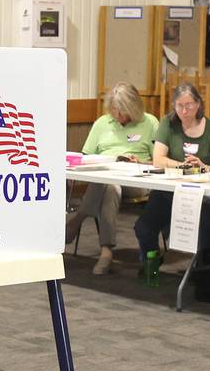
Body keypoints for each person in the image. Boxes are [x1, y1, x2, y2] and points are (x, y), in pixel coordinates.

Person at [133, 84, 210, 297]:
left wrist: (202, 166)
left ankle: (202, 266)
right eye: (180, 106)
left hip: (202, 194)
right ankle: (152, 260)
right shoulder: (168, 124)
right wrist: (184, 166)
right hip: (168, 192)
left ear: (198, 104)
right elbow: (158, 159)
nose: (184, 111)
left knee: (207, 224)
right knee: (144, 228)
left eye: (189, 106)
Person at [66, 82, 158, 275]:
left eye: (122, 112)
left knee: (108, 184)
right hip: (107, 178)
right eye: (114, 111)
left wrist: (139, 162)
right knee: (110, 186)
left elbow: (159, 161)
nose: (118, 116)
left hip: (137, 180)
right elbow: (85, 156)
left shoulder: (149, 123)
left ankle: (79, 217)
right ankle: (106, 251)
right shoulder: (102, 123)